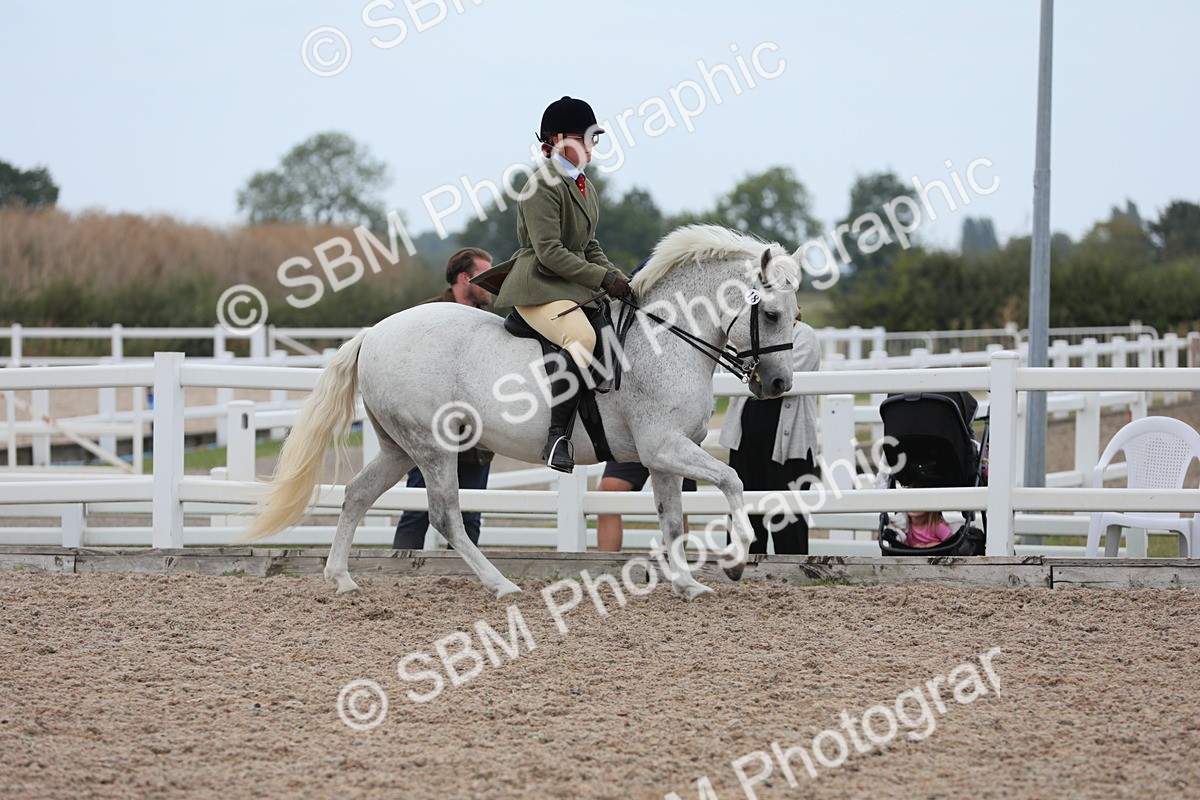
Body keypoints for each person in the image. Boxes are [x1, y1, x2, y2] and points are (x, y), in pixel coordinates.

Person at [472, 96, 632, 473]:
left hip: (570, 286)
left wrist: (620, 279)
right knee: (583, 338)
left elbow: (589, 246)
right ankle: (557, 436)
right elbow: (550, 252)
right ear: (558, 140)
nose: (592, 146)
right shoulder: (541, 185)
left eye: (594, 138)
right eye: (585, 138)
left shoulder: (584, 186)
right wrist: (602, 279)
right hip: (539, 285)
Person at [393, 247, 495, 549]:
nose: (493, 283)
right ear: (464, 278)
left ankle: (461, 573)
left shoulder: (491, 323)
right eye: (486, 275)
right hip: (431, 430)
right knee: (417, 510)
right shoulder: (426, 316)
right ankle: (400, 571)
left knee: (470, 514)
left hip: (477, 435)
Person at [718, 319, 821, 554]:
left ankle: (792, 571)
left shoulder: (804, 335)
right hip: (745, 440)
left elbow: (782, 381)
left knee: (788, 520)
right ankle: (744, 567)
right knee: (744, 512)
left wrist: (752, 371)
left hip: (790, 444)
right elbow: (731, 365)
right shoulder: (750, 335)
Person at [596, 461, 697, 551]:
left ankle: (670, 564)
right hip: (632, 446)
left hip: (675, 446)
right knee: (607, 495)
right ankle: (606, 565)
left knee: (676, 503)